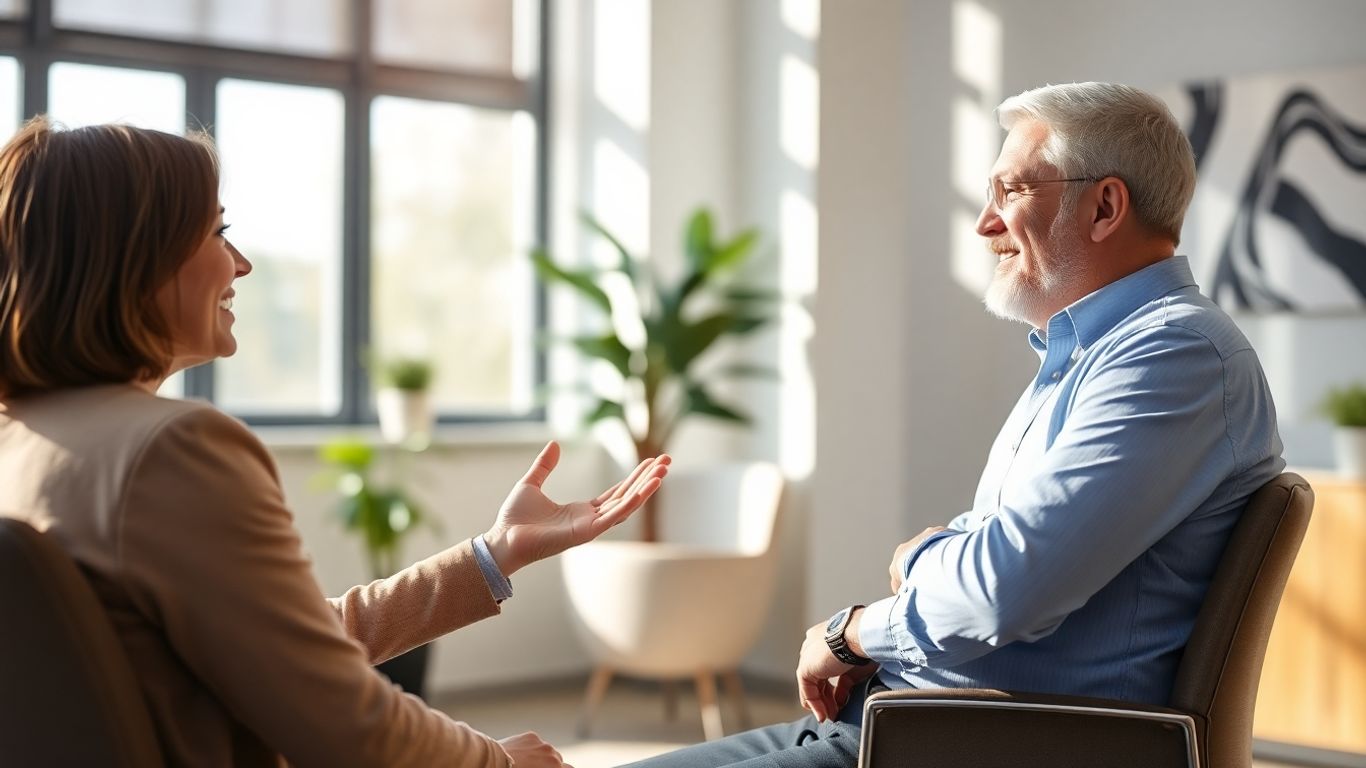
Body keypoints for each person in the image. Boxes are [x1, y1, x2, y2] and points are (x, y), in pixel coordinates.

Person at [625, 81, 1285, 768]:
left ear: (1105, 207)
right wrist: (931, 573)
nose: (984, 223)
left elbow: (1001, 586)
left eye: (1011, 191)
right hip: (901, 717)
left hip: (966, 743)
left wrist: (858, 631)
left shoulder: (1173, 356)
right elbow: (989, 551)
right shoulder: (1095, 356)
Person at [0, 116, 670, 768]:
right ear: (135, 257)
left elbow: (288, 649)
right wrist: (496, 763)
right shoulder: (168, 451)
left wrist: (492, 557)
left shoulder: (27, 443)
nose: (243, 263)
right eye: (218, 231)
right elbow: (346, 724)